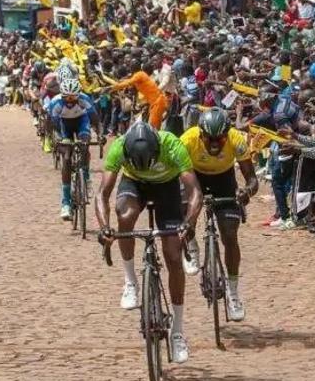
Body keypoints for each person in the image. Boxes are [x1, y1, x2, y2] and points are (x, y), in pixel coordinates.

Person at [95, 122, 203, 364]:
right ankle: (130, 281)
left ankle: (177, 331)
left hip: (167, 187)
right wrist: (104, 228)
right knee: (125, 216)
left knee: (174, 256)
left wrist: (189, 222)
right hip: (134, 184)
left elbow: (195, 191)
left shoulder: (172, 144)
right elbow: (102, 194)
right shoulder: (119, 146)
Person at [180, 108, 258, 320]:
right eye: (209, 139)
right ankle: (192, 246)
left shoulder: (236, 139)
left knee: (230, 235)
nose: (215, 144)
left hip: (224, 181)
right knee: (183, 213)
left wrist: (246, 191)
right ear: (200, 134)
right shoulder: (187, 140)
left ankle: (233, 294)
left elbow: (252, 179)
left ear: (227, 134)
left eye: (220, 139)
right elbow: (174, 175)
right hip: (194, 177)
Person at [47, 76, 96, 220]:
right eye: (67, 97)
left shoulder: (84, 99)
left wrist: (100, 135)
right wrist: (56, 140)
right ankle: (66, 203)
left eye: (73, 97)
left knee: (84, 145)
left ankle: (86, 178)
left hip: (82, 122)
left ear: (78, 94)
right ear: (62, 95)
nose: (69, 101)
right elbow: (52, 125)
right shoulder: (55, 103)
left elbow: (95, 119)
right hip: (63, 126)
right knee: (67, 158)